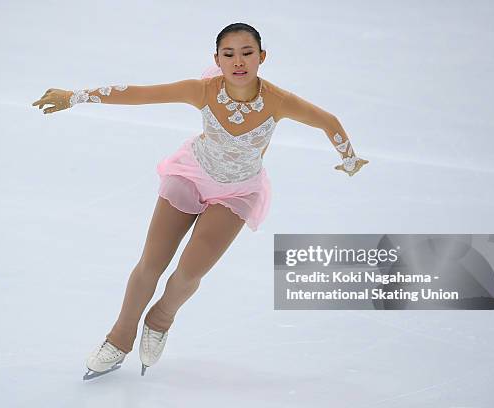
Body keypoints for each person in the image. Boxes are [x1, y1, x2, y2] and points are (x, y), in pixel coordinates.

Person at [31, 22, 369, 379]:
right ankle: (119, 337)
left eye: (247, 53)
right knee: (151, 264)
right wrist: (75, 96)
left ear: (262, 57)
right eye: (229, 54)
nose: (238, 61)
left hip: (238, 191)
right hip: (191, 175)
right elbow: (141, 94)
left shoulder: (278, 101)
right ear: (217, 60)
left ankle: (160, 320)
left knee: (190, 274)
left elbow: (328, 121)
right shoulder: (203, 91)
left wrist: (348, 158)